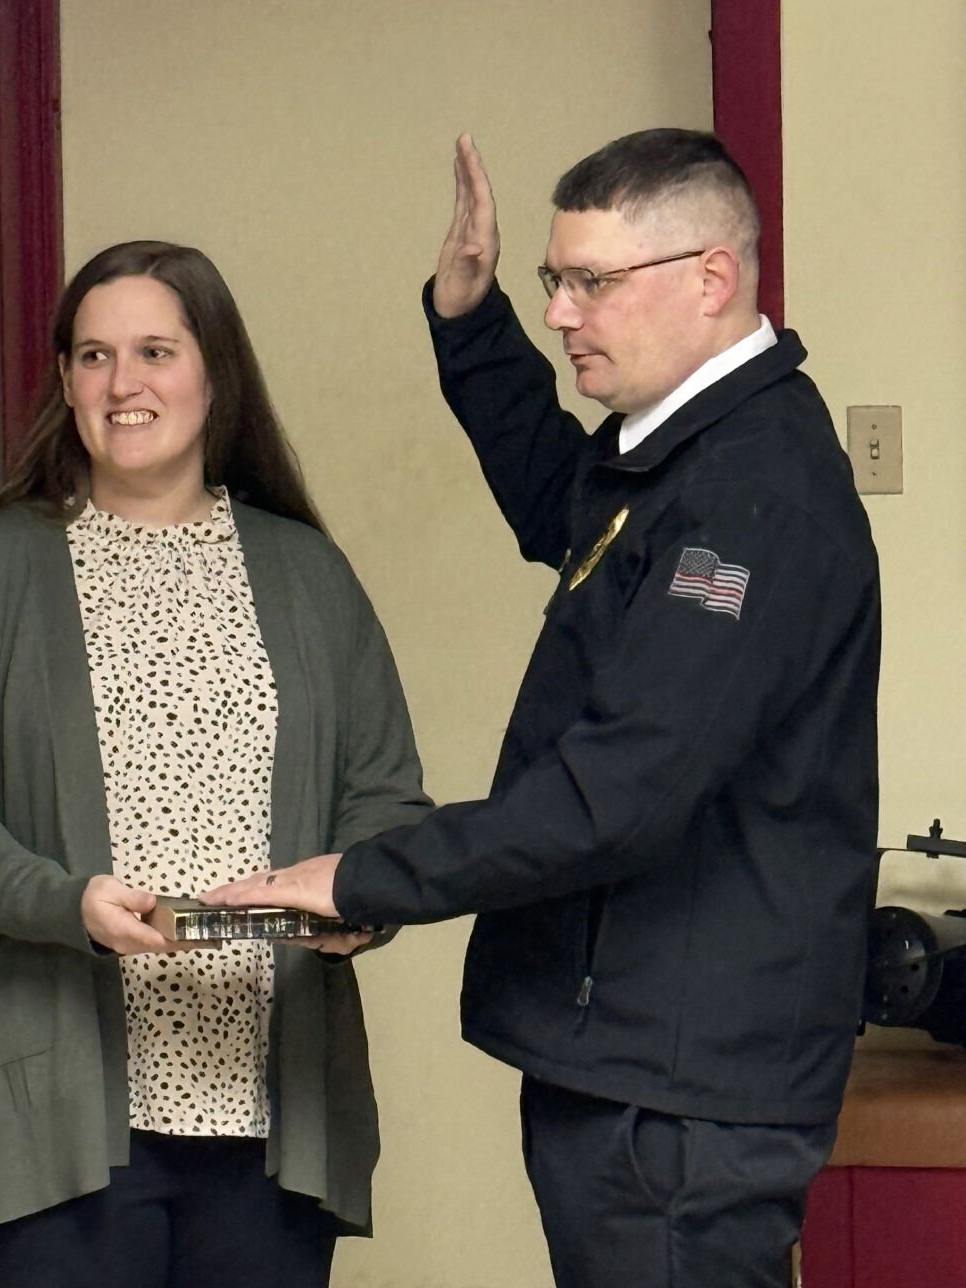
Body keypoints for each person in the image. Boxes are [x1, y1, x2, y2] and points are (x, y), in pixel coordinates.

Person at [207, 130, 881, 1287]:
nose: (566, 312)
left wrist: (366, 874)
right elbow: (567, 510)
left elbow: (622, 789)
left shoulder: (750, 490)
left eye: (593, 284)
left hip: (678, 1088)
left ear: (711, 278)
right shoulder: (680, 454)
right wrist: (471, 324)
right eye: (553, 282)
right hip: (638, 1065)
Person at [0, 240, 430, 1288]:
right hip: (53, 1120)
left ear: (213, 373)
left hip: (267, 1117)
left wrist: (363, 892)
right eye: (92, 355)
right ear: (65, 381)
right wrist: (63, 900)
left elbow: (386, 797)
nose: (122, 384)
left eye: (154, 351)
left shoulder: (308, 575)